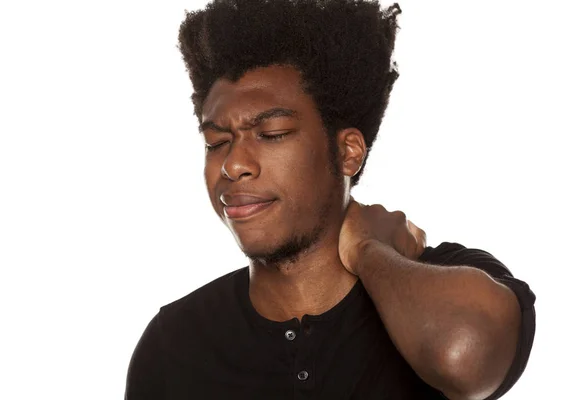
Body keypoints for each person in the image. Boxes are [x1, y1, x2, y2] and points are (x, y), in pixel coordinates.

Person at [125, 0, 536, 398]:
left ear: (348, 153)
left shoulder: (453, 278)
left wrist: (368, 251)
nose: (233, 165)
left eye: (272, 134)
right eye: (217, 142)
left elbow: (464, 359)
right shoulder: (173, 345)